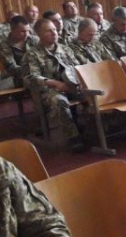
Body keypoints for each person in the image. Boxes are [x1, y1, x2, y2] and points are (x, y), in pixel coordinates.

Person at [22, 18, 85, 151]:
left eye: (55, 30)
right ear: (39, 34)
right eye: (48, 31)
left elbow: (78, 67)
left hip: (73, 85)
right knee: (59, 101)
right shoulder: (32, 54)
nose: (54, 33)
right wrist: (55, 83)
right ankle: (74, 137)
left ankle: (97, 127)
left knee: (93, 93)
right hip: (49, 90)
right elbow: (31, 77)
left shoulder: (65, 49)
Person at [0, 15, 38, 86]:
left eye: (28, 31)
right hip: (16, 78)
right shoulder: (4, 45)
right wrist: (31, 69)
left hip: (36, 72)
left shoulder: (34, 40)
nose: (27, 34)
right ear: (13, 31)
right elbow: (12, 67)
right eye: (23, 31)